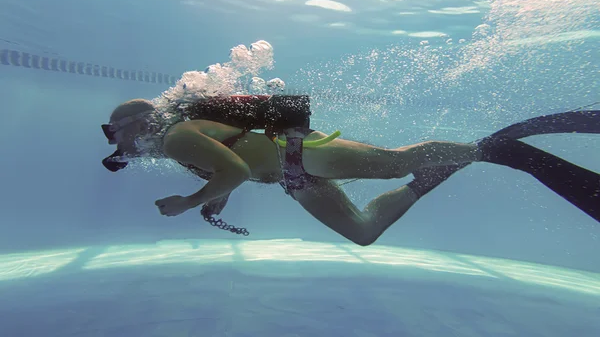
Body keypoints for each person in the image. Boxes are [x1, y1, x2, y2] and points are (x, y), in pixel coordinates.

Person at [101, 95, 600, 246]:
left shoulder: (174, 135)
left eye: (112, 130)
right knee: (363, 232)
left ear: (134, 122)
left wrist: (189, 203)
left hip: (302, 153)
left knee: (394, 163)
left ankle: (485, 149)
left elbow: (230, 169)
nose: (115, 141)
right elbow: (231, 169)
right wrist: (217, 193)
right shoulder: (173, 145)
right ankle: (433, 177)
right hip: (293, 180)